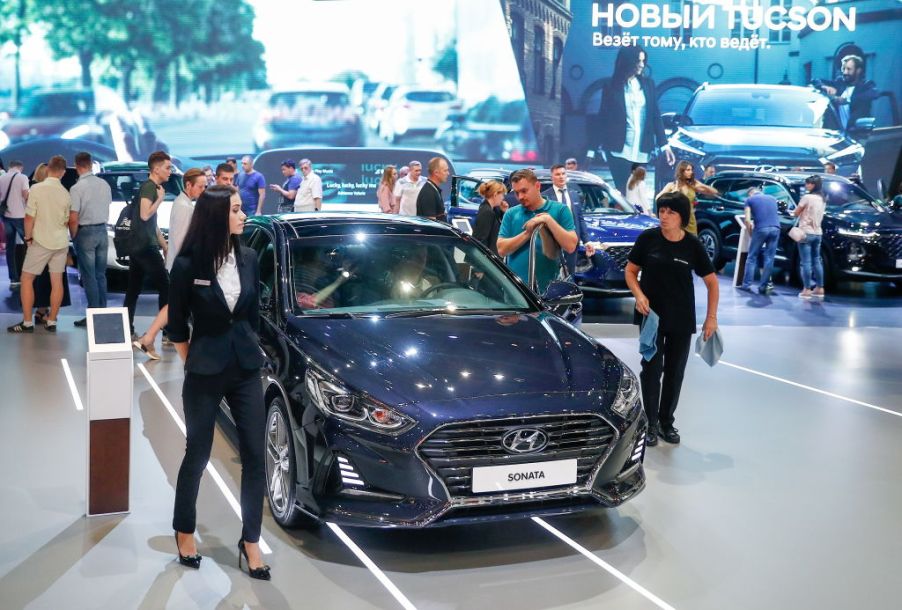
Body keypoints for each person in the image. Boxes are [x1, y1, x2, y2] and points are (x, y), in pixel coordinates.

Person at [167, 184, 270, 580]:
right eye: (237, 210)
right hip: (204, 371)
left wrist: (251, 349)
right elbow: (177, 326)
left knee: (256, 456)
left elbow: (253, 316)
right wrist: (193, 361)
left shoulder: (249, 257)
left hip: (245, 369)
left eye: (242, 209)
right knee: (198, 452)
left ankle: (250, 541)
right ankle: (184, 530)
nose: (244, 216)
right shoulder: (188, 264)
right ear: (216, 216)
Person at [625, 192, 719, 446]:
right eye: (662, 211)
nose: (664, 216)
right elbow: (631, 271)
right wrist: (639, 295)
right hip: (651, 317)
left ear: (682, 217)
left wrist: (711, 318)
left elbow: (711, 282)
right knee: (651, 370)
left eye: (671, 212)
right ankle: (651, 424)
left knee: (675, 372)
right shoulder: (648, 239)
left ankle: (668, 422)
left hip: (681, 316)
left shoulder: (692, 245)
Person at [592, 45, 674, 194]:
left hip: (642, 149)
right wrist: (591, 149)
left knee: (636, 191)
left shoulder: (648, 85)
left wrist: (664, 145)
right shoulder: (610, 86)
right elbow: (602, 118)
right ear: (627, 61)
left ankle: (637, 216)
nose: (642, 65)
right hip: (618, 150)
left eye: (643, 61)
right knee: (623, 192)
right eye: (638, 61)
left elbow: (656, 116)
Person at [8, 155, 71, 333]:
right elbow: (66, 221)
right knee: (56, 281)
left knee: (27, 279)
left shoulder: (37, 189)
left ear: (49, 168)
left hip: (41, 241)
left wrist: (28, 238)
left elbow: (29, 217)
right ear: (63, 172)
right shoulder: (66, 193)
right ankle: (51, 321)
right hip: (60, 242)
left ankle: (27, 323)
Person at [497, 168, 577, 292]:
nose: (520, 197)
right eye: (516, 193)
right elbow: (501, 249)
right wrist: (528, 233)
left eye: (524, 191)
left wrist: (548, 220)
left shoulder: (560, 210)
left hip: (550, 291)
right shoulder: (511, 213)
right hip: (517, 291)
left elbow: (571, 246)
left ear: (537, 186)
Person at [126, 151, 172, 360]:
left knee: (133, 289)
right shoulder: (149, 187)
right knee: (167, 289)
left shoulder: (151, 187)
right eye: (167, 167)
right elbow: (145, 214)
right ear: (156, 169)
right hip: (144, 248)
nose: (169, 171)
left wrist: (164, 244)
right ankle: (161, 335)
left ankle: (127, 329)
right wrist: (160, 199)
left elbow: (150, 224)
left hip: (141, 246)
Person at [69, 152, 113, 327]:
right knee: (101, 274)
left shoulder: (77, 188)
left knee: (89, 276)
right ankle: (102, 311)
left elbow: (73, 217)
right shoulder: (104, 184)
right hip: (103, 231)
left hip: (85, 232)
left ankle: (93, 314)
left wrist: (73, 236)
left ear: (77, 165)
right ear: (91, 164)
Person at [542, 163, 597, 274]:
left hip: (572, 241)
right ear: (552, 177)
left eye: (563, 173)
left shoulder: (574, 195)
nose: (561, 176)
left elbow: (580, 218)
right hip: (553, 242)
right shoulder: (545, 197)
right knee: (553, 274)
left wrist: (586, 241)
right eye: (557, 174)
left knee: (570, 274)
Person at [656, 161, 718, 235]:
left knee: (691, 243)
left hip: (690, 221)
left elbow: (714, 192)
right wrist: (671, 195)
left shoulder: (693, 185)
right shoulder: (671, 186)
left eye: (691, 170)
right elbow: (658, 198)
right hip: (676, 221)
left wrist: (701, 185)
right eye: (688, 170)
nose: (691, 172)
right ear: (681, 171)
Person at [819, 55, 878, 131]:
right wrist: (824, 87)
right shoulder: (839, 83)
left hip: (857, 134)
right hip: (836, 135)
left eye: (849, 69)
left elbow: (874, 93)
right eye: (843, 69)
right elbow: (815, 81)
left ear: (858, 70)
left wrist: (847, 100)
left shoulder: (866, 85)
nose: (845, 72)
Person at [739, 187, 781, 295]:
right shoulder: (772, 198)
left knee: (752, 257)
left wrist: (750, 233)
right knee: (769, 259)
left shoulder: (749, 200)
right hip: (776, 228)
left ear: (750, 194)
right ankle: (763, 287)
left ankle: (746, 285)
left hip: (761, 229)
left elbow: (747, 220)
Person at [792, 175, 826, 299]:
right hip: (818, 233)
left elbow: (796, 212)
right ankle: (820, 288)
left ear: (814, 185)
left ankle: (806, 290)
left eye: (809, 183)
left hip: (805, 232)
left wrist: (795, 212)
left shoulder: (807, 197)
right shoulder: (822, 198)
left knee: (805, 262)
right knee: (817, 261)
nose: (806, 185)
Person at [166, 167, 206, 270]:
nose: (203, 190)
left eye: (204, 187)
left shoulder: (183, 202)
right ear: (188, 185)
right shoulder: (184, 207)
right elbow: (180, 242)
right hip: (181, 268)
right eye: (200, 187)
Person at [1, 160, 30, 290]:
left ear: (9, 166)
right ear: (21, 167)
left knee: (10, 249)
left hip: (6, 216)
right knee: (30, 246)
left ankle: (14, 279)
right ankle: (30, 276)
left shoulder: (2, 178)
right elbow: (26, 195)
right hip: (21, 216)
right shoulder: (22, 177)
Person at [473, 180, 507, 255]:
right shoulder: (487, 212)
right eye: (502, 194)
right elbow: (481, 239)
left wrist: (504, 211)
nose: (503, 198)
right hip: (485, 258)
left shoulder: (491, 209)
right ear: (495, 194)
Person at [416, 157, 449, 222]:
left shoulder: (433, 189)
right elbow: (431, 224)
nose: (448, 173)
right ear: (436, 172)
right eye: (445, 170)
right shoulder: (428, 193)